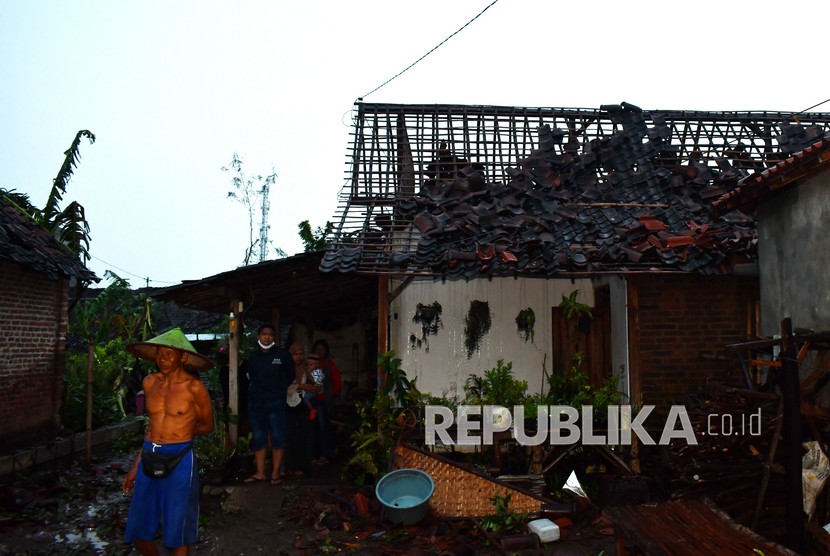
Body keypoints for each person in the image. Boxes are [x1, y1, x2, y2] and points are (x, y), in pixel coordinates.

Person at [122, 327, 215, 556]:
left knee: (177, 530)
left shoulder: (195, 388)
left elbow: (207, 426)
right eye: (159, 354)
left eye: (169, 354)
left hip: (180, 459)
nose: (163, 359)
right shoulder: (149, 383)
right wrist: (135, 467)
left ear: (182, 357)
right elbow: (151, 428)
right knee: (138, 530)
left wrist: (180, 434)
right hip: (149, 454)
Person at [241, 323, 294, 485]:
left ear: (274, 337)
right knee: (258, 438)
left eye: (270, 334)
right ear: (259, 336)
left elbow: (290, 375)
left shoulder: (282, 355)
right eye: (264, 334)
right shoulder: (252, 356)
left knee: (277, 437)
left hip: (276, 404)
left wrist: (277, 390)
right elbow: (247, 376)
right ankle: (260, 473)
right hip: (257, 404)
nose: (267, 337)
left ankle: (276, 473)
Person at [283, 343, 315, 477]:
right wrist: (301, 386)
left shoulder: (307, 368)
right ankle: (289, 466)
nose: (299, 357)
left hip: (302, 404)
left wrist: (307, 376)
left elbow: (317, 386)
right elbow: (283, 386)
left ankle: (302, 465)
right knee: (289, 435)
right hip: (287, 404)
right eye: (295, 354)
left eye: (301, 354)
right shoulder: (285, 369)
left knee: (303, 435)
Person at [310, 339, 341, 465]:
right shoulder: (310, 363)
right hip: (311, 401)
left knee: (324, 428)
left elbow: (337, 381)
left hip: (323, 401)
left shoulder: (328, 364)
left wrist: (334, 395)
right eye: (317, 348)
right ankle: (313, 455)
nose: (320, 351)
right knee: (313, 428)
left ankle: (324, 455)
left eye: (322, 349)